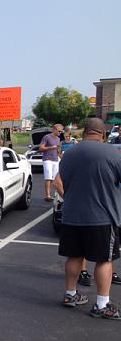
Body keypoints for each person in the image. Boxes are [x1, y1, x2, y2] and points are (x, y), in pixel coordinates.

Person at [55, 117, 121, 319]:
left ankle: (70, 294)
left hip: (72, 216)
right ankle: (102, 304)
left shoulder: (69, 154)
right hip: (101, 217)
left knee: (74, 256)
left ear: (84, 132)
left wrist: (70, 197)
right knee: (104, 260)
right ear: (103, 134)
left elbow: (59, 181)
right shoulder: (112, 153)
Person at [40, 124, 62, 201]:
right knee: (48, 177)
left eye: (61, 131)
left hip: (55, 159)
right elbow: (41, 147)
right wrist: (51, 147)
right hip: (47, 159)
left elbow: (57, 150)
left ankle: (53, 194)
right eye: (59, 131)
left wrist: (59, 152)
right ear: (54, 129)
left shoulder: (58, 139)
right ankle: (47, 195)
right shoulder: (47, 137)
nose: (60, 132)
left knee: (54, 178)